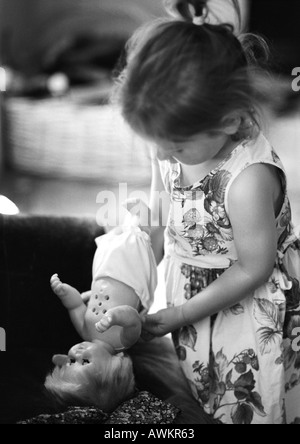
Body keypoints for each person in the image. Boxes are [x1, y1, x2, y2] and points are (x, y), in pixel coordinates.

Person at [115, 0, 300, 424]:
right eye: (156, 142)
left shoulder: (247, 179)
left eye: (175, 147)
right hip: (194, 300)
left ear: (230, 121)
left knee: (248, 406)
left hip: (247, 313)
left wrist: (179, 313)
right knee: (204, 391)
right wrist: (133, 269)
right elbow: (163, 206)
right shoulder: (171, 136)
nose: (162, 154)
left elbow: (253, 268)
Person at [45, 202, 157, 412]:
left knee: (110, 245)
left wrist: (63, 292)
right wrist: (115, 317)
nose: (77, 353)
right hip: (130, 276)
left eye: (70, 360)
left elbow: (76, 305)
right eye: (85, 361)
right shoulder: (122, 342)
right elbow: (133, 319)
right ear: (113, 368)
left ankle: (117, 229)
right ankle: (144, 221)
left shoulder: (84, 331)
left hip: (102, 275)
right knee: (135, 240)